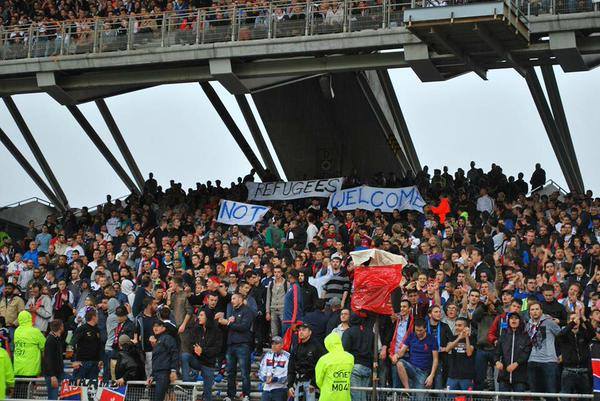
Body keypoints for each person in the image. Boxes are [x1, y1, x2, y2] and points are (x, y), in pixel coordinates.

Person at [218, 292, 254, 401]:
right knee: (230, 372)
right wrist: (221, 322)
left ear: (240, 299)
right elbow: (229, 327)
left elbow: (244, 326)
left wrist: (228, 323)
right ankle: (230, 395)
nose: (232, 300)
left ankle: (246, 395)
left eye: (234, 298)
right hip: (231, 345)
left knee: (244, 372)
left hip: (243, 344)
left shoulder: (247, 311)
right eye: (232, 298)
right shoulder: (232, 311)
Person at [395, 318, 439, 401]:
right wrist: (396, 355)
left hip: (423, 372)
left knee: (420, 398)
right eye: (416, 330)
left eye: (420, 330)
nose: (418, 333)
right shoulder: (411, 336)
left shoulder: (431, 339)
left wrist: (431, 376)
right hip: (411, 367)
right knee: (399, 363)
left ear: (425, 329)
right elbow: (402, 352)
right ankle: (407, 390)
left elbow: (435, 359)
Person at [525, 301, 560, 394]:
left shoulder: (549, 322)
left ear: (541, 311)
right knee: (534, 391)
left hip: (549, 361)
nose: (535, 311)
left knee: (551, 391)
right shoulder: (528, 325)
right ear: (529, 312)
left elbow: (561, 337)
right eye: (532, 309)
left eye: (537, 309)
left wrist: (560, 354)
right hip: (532, 360)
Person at [186, 309, 221, 401]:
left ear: (207, 317)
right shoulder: (196, 328)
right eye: (199, 315)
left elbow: (217, 349)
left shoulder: (216, 331)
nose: (198, 317)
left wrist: (202, 351)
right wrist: (195, 349)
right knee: (185, 356)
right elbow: (191, 343)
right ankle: (186, 384)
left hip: (209, 363)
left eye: (201, 315)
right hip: (197, 360)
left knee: (207, 394)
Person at [495, 312, 531, 392]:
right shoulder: (503, 335)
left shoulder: (525, 336)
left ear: (520, 321)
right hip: (504, 375)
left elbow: (527, 353)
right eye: (511, 318)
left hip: (520, 376)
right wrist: (497, 361)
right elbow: (497, 352)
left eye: (516, 318)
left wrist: (516, 363)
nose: (513, 320)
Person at [342, 313, 373, 401]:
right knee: (363, 396)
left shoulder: (348, 332)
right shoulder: (371, 332)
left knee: (355, 396)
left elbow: (344, 350)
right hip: (368, 367)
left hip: (354, 367)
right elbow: (374, 350)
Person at [315, 332, 354, 401]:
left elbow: (318, 380)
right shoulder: (350, 357)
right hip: (344, 397)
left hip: (328, 396)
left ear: (327, 344)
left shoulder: (324, 359)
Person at [148, 320, 179, 401]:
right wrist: (152, 375)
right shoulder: (157, 341)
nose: (155, 328)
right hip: (157, 374)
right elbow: (156, 360)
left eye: (158, 326)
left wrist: (173, 370)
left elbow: (174, 354)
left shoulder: (168, 338)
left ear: (164, 328)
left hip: (164, 373)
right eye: (154, 326)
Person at [71, 310, 102, 382]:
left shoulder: (97, 329)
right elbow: (71, 344)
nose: (98, 318)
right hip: (82, 363)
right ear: (93, 317)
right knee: (79, 386)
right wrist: (74, 361)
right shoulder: (81, 328)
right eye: (97, 316)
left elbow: (98, 346)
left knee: (93, 386)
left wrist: (100, 359)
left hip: (94, 363)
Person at [445, 317, 475, 391]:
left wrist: (466, 337)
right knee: (450, 398)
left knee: (466, 398)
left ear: (466, 327)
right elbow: (447, 349)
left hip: (466, 376)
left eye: (459, 325)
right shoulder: (452, 337)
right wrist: (459, 338)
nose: (457, 327)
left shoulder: (472, 339)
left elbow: (469, 353)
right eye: (456, 325)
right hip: (452, 375)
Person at [13, 310, 46, 378]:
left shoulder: (16, 331)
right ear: (29, 318)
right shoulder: (35, 331)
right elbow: (45, 346)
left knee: (19, 388)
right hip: (31, 369)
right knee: (30, 388)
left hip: (18, 368)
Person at [258, 336, 290, 401]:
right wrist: (264, 378)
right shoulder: (267, 355)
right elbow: (261, 370)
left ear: (282, 345)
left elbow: (289, 374)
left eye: (276, 343)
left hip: (280, 389)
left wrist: (275, 379)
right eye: (272, 344)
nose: (274, 346)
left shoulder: (287, 356)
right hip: (266, 389)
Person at [43, 320, 65, 400]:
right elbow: (48, 359)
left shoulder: (56, 338)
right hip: (52, 375)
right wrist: (52, 376)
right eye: (62, 326)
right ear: (60, 327)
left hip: (58, 373)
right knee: (53, 398)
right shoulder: (51, 340)